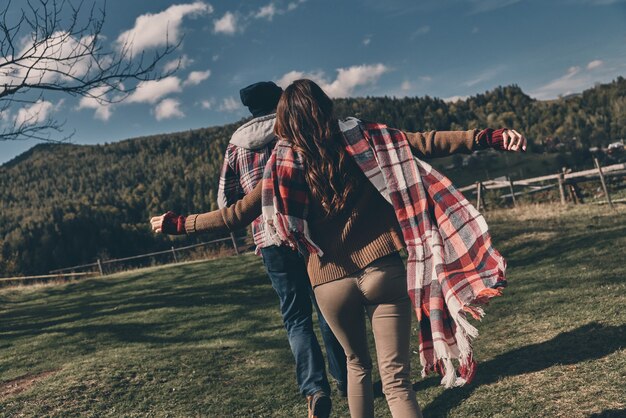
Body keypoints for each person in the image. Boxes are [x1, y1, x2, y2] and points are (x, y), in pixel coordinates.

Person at [151, 79, 526, 418]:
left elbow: (234, 214)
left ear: (284, 121)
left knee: (356, 368)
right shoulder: (365, 138)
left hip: (329, 284)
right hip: (383, 271)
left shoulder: (279, 163)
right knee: (396, 382)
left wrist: (181, 224)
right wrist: (487, 136)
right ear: (326, 106)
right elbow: (426, 141)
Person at [156, 81, 347, 418]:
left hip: (269, 240)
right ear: (280, 101)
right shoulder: (293, 130)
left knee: (295, 317)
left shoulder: (237, 145)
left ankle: (315, 389)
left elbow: (226, 202)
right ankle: (347, 379)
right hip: (307, 232)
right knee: (327, 308)